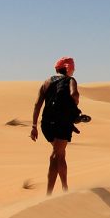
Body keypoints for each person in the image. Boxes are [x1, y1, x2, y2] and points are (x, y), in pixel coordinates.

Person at [31, 57, 81, 195]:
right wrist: (75, 104)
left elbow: (37, 104)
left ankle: (65, 187)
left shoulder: (46, 82)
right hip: (62, 123)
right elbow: (74, 94)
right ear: (68, 68)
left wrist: (34, 126)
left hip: (46, 124)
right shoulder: (71, 80)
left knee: (60, 154)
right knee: (56, 155)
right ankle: (49, 195)